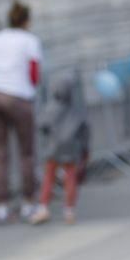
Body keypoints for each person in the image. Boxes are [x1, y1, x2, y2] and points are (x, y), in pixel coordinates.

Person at [0, 1, 43, 223]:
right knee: (26, 153)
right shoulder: (30, 40)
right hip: (18, 95)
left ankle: (2, 205)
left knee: (0, 153)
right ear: (26, 20)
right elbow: (34, 73)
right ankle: (28, 201)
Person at [31, 75, 89, 225]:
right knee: (70, 178)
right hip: (71, 148)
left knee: (49, 177)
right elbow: (84, 130)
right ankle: (69, 210)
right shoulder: (76, 111)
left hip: (53, 147)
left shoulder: (51, 108)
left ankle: (43, 207)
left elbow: (42, 125)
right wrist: (85, 150)